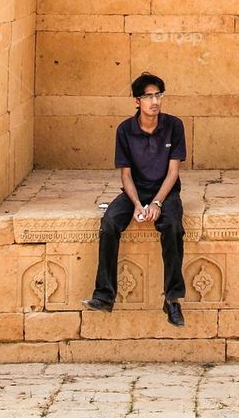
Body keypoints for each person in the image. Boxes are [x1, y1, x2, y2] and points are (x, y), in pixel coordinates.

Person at [83, 72, 187, 325]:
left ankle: (172, 300)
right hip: (135, 192)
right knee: (109, 223)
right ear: (137, 101)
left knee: (173, 226)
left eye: (158, 95)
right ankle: (104, 295)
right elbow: (126, 175)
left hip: (165, 192)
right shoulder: (125, 130)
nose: (155, 101)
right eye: (148, 96)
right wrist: (138, 204)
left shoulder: (174, 126)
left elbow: (173, 172)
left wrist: (157, 203)